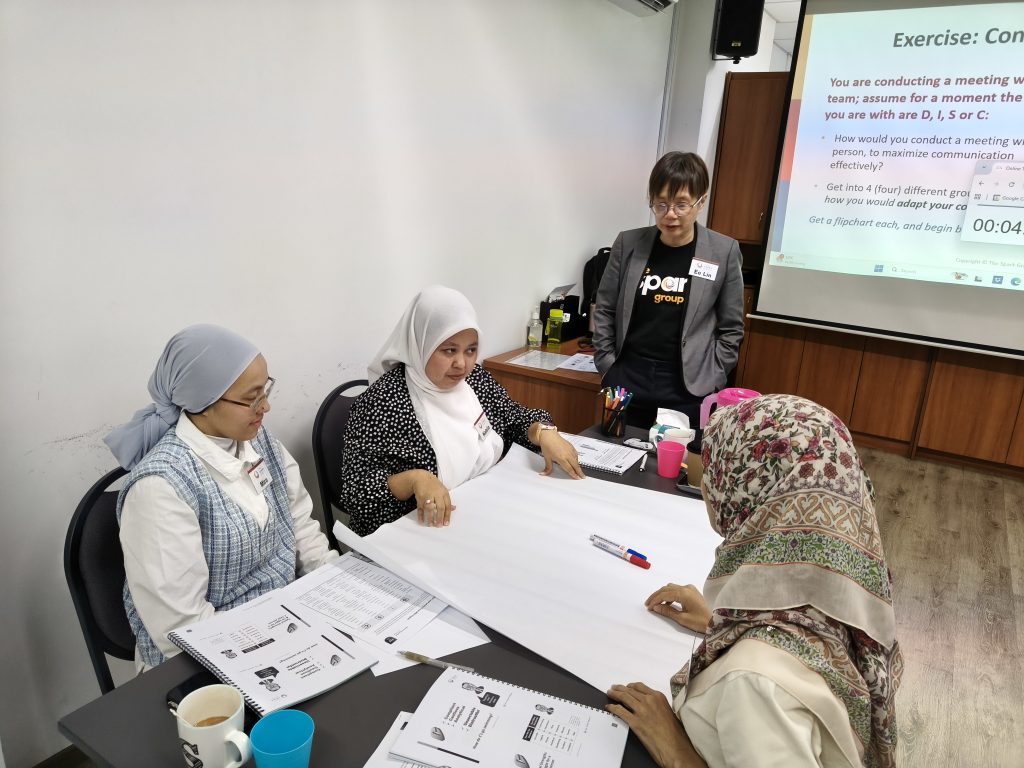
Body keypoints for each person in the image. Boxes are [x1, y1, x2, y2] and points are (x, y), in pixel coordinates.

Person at [606, 394, 902, 768]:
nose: (706, 486)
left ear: (745, 492)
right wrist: (724, 621)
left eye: (715, 471)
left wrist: (676, 750)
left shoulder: (755, 682)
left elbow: (766, 692)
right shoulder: (843, 600)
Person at [104, 325, 338, 670]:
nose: (266, 406)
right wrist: (276, 652)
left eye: (265, 389)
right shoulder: (160, 489)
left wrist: (337, 591)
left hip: (284, 626)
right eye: (251, 398)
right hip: (208, 660)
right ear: (203, 401)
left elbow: (301, 529)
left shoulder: (259, 442)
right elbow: (182, 629)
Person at [341, 285, 585, 536]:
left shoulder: (473, 379)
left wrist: (543, 431)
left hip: (481, 512)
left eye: (471, 350)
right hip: (413, 531)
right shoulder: (382, 403)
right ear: (420, 344)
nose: (462, 363)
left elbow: (511, 416)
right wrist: (415, 479)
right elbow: (357, 494)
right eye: (449, 350)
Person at [592, 151, 745, 428]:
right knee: (616, 458)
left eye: (681, 205)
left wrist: (713, 374)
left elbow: (731, 327)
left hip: (688, 385)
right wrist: (607, 365)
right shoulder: (628, 244)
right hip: (628, 378)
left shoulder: (723, 251)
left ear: (702, 201)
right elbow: (605, 308)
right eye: (660, 204)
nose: (670, 215)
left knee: (677, 467)